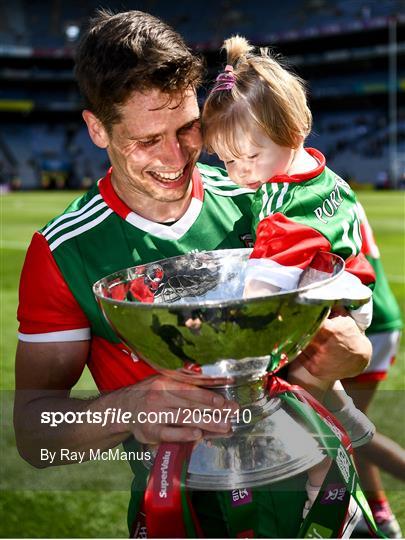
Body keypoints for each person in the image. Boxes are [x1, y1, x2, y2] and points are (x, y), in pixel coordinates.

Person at [14, 10, 373, 538]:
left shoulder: (259, 190)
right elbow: (35, 431)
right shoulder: (65, 251)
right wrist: (127, 409)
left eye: (188, 128)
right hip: (188, 510)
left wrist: (347, 347)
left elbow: (337, 318)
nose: (175, 156)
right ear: (97, 129)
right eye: (145, 140)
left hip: (318, 489)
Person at [201, 35, 376, 515]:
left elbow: (262, 299)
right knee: (313, 382)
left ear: (294, 129)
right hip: (351, 292)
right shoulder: (321, 171)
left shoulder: (281, 208)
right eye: (227, 161)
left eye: (249, 157)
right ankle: (347, 415)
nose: (238, 173)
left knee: (289, 390)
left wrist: (228, 351)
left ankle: (323, 475)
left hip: (325, 302)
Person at [341, 203, 404, 538]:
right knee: (350, 426)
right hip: (374, 312)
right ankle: (378, 516)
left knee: (349, 427)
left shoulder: (297, 187)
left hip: (361, 317)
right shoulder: (327, 184)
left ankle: (377, 515)